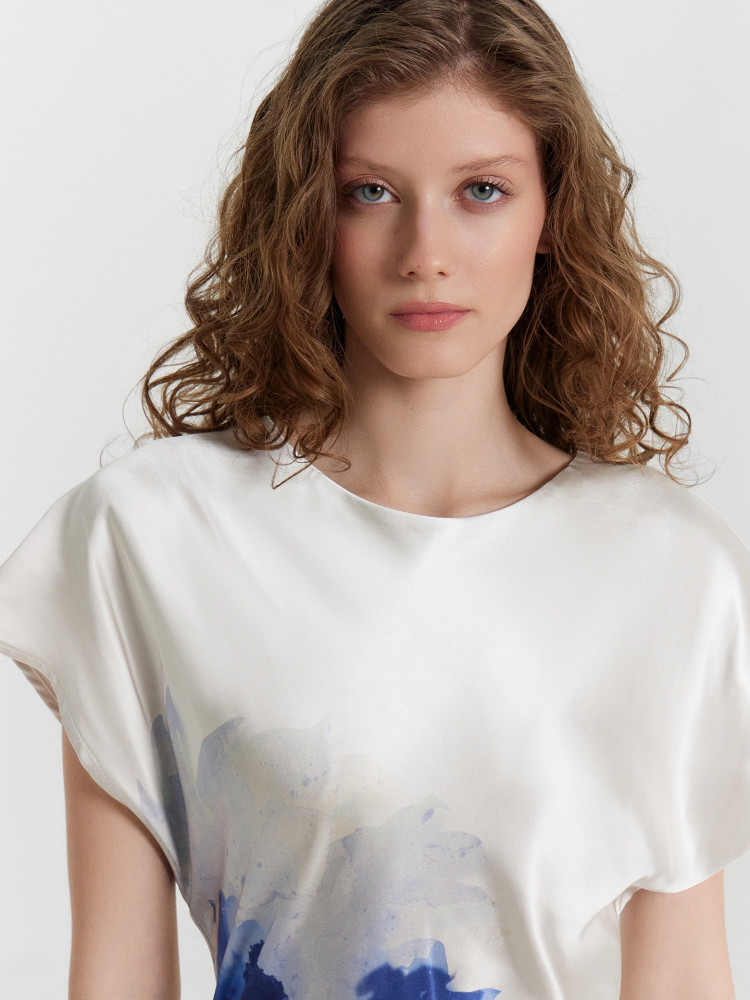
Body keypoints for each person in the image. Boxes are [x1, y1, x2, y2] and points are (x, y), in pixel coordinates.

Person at [0, 0, 748, 997]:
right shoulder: (149, 540)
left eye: (482, 190)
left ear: (554, 214)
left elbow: (686, 976)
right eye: (371, 192)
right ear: (308, 212)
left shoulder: (668, 568)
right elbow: (117, 978)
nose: (424, 251)